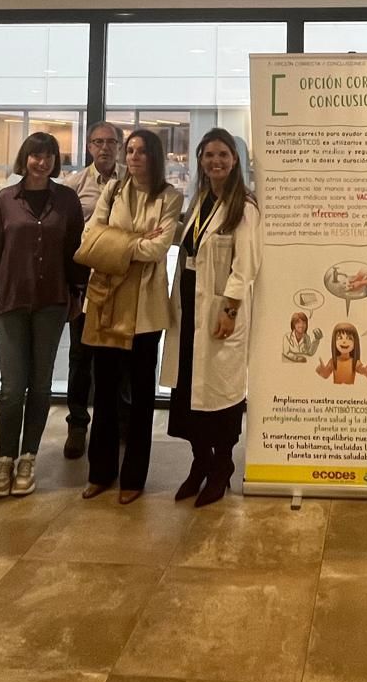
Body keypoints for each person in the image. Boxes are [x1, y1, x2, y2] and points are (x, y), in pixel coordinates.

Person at [0, 132, 84, 500]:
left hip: (52, 302)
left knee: (40, 386)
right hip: (10, 301)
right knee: (11, 389)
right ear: (24, 159)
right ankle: (5, 457)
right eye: (35, 156)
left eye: (49, 157)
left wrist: (77, 294)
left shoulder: (67, 200)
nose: (42, 163)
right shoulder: (5, 200)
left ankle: (28, 457)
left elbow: (75, 252)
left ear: (56, 162)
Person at [81, 127, 183, 503]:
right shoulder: (113, 189)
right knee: (104, 393)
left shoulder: (170, 196)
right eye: (131, 150)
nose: (134, 156)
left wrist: (117, 241)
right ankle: (100, 473)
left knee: (141, 398)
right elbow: (91, 236)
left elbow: (159, 249)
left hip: (146, 309)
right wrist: (134, 243)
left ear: (154, 156)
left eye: (141, 151)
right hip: (107, 301)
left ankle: (134, 479)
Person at [161, 128, 262, 507]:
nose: (215, 162)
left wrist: (230, 311)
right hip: (189, 312)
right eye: (208, 156)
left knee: (222, 395)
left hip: (220, 313)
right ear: (200, 161)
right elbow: (191, 249)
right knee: (189, 391)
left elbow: (246, 265)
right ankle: (199, 463)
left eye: (223, 155)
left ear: (235, 161)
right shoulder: (201, 201)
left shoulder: (244, 207)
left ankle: (222, 468)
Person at [58, 121, 121, 459]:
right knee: (81, 357)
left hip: (123, 280)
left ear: (119, 146)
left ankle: (121, 423)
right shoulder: (73, 186)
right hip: (86, 282)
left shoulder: (131, 182)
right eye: (98, 142)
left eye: (110, 142)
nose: (104, 148)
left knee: (122, 354)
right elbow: (67, 238)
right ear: (89, 146)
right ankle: (78, 424)